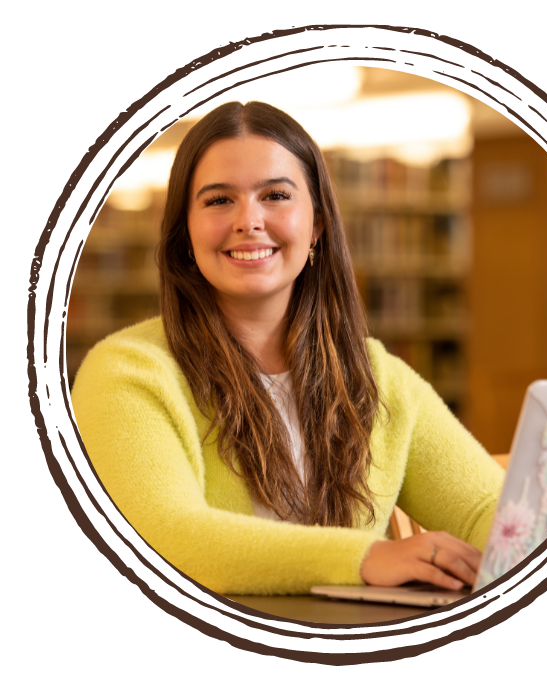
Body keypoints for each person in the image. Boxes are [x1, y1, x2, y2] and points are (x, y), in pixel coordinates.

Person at [69, 101, 505, 596]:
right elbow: (162, 538)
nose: (248, 221)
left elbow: (488, 509)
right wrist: (365, 557)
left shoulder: (378, 376)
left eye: (275, 195)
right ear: (184, 233)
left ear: (316, 224)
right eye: (218, 201)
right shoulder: (127, 372)